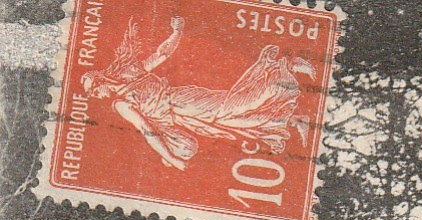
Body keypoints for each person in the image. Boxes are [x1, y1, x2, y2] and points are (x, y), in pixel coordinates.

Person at [81, 17, 315, 171]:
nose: (96, 96)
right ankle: (292, 121)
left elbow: (147, 130)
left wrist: (177, 32)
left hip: (181, 103)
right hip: (183, 114)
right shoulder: (126, 85)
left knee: (231, 108)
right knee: (234, 121)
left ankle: (287, 67)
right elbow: (160, 58)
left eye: (93, 90)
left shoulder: (123, 101)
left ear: (100, 80)